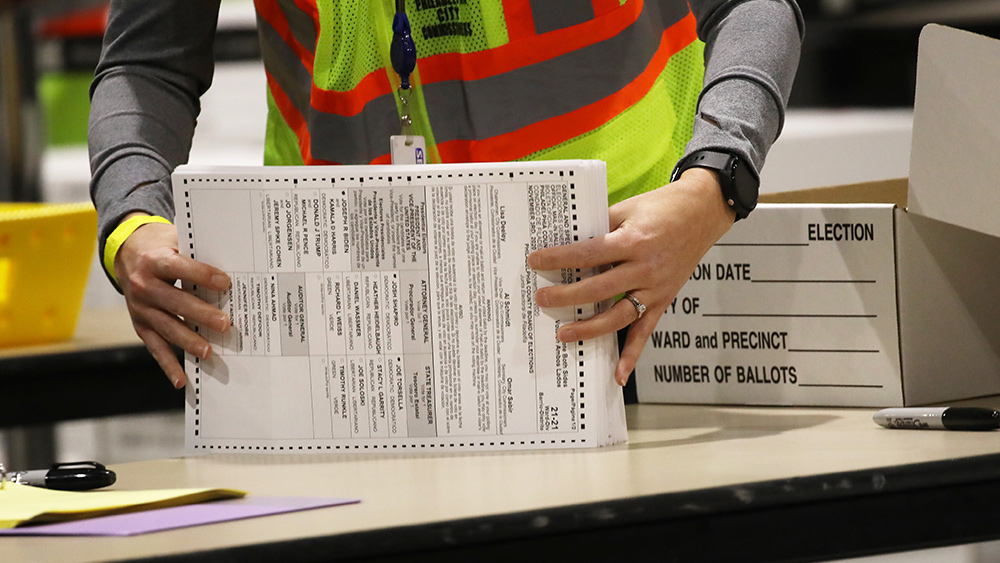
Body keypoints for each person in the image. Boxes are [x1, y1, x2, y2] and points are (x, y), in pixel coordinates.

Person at [89, 0, 803, 390]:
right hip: (350, 323)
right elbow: (146, 64)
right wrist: (133, 222)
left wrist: (715, 181)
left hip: (636, 296)